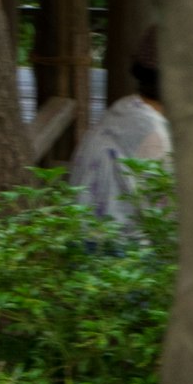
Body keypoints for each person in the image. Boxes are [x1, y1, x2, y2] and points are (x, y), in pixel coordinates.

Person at [73, 31, 172, 235]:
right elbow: (169, 220)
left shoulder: (119, 112)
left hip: (82, 242)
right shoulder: (155, 134)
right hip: (124, 255)